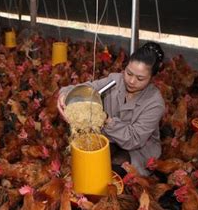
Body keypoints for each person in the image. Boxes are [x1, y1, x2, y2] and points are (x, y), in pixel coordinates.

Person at [57, 42, 165, 176]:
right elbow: (84, 88)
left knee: (113, 170)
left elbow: (133, 139)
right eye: (129, 73)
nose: (131, 81)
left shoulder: (154, 102)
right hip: (110, 138)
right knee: (87, 163)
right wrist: (65, 95)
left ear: (151, 78)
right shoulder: (115, 81)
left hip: (138, 148)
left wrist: (106, 119)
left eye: (140, 78)